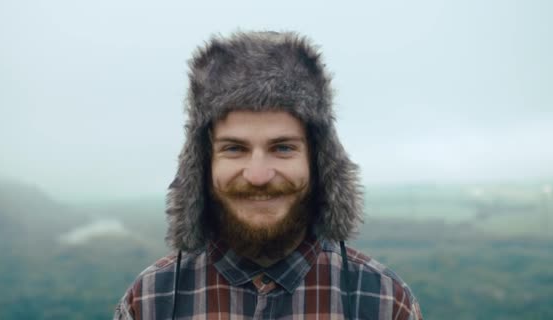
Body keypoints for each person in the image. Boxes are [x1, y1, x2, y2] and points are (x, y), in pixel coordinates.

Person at [114, 31, 423, 320]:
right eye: (234, 149)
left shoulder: (382, 301)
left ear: (318, 161)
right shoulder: (150, 302)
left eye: (283, 148)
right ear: (203, 163)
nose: (258, 175)